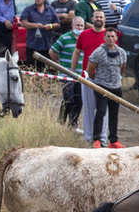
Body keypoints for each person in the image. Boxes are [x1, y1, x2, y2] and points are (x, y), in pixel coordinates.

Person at [87, 27, 127, 149]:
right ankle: (97, 139)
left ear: (116, 38)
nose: (110, 38)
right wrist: (97, 82)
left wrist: (117, 78)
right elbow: (90, 69)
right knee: (101, 112)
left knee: (114, 114)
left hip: (116, 87)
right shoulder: (98, 52)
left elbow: (123, 67)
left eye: (112, 36)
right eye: (108, 36)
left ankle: (114, 140)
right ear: (104, 38)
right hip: (102, 87)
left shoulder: (122, 52)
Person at [72, 10, 108, 143]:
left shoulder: (109, 35)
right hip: (87, 77)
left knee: (104, 109)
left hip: (105, 78)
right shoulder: (84, 34)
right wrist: (73, 70)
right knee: (88, 108)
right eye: (96, 17)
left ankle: (102, 138)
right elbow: (77, 52)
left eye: (101, 17)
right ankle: (89, 137)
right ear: (92, 19)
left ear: (104, 19)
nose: (99, 19)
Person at [49, 16, 85, 127]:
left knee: (79, 101)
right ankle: (61, 121)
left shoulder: (84, 38)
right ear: (72, 25)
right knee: (69, 98)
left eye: (81, 26)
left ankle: (73, 123)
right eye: (77, 25)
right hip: (66, 74)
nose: (79, 28)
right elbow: (52, 52)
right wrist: (59, 65)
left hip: (80, 75)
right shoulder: (64, 38)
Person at [19, 0, 61, 71]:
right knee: (32, 69)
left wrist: (51, 26)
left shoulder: (50, 10)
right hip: (32, 46)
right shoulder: (29, 9)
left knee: (46, 70)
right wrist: (34, 25)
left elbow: (58, 24)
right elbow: (23, 23)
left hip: (46, 46)